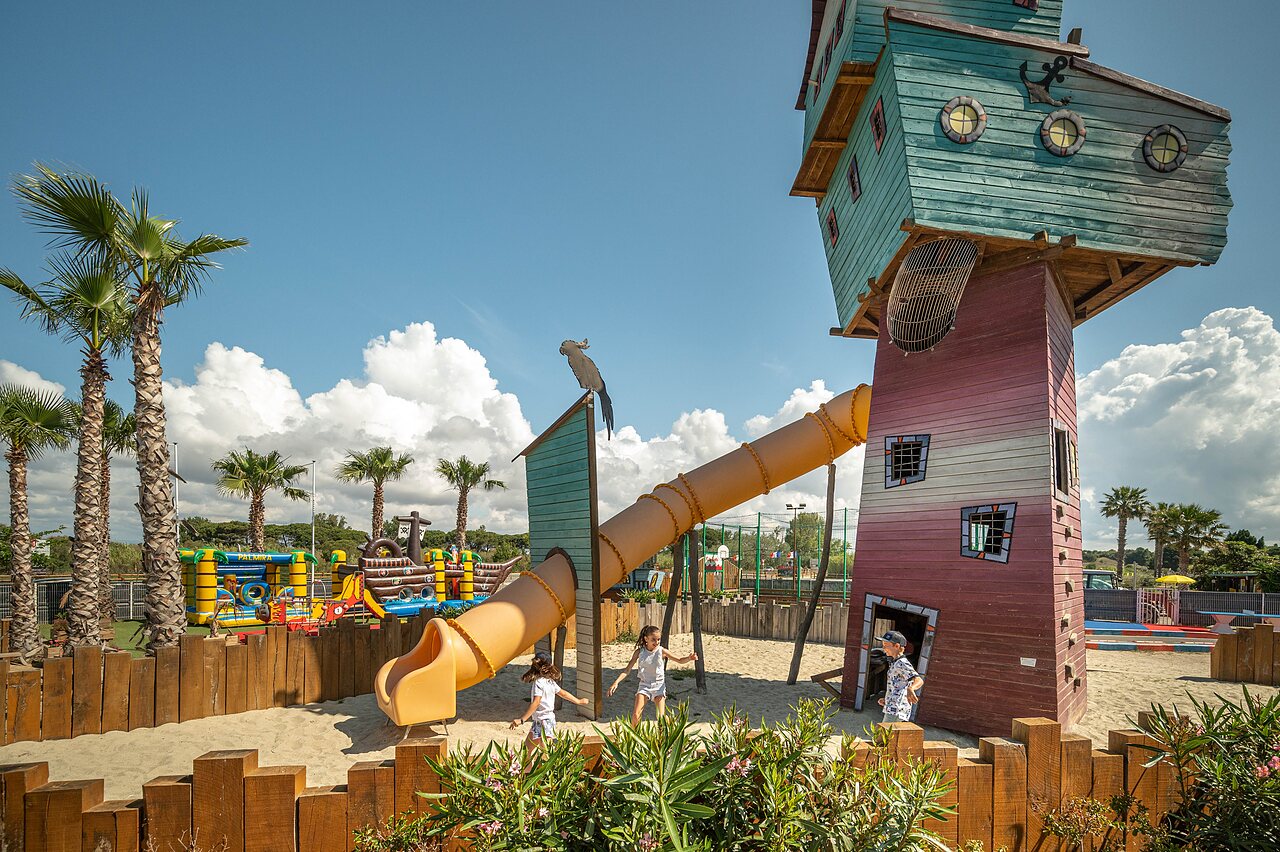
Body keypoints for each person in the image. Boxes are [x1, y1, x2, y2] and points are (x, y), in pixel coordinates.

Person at [607, 624, 698, 724]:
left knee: (661, 718)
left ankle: (664, 734)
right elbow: (627, 670)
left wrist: (689, 658)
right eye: (653, 639)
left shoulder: (661, 651)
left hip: (658, 686)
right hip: (644, 685)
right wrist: (616, 682)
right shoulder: (639, 652)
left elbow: (679, 660)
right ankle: (634, 737)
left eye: (658, 639)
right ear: (646, 639)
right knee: (636, 715)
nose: (657, 642)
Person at [510, 651, 588, 750]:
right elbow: (563, 693)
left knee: (542, 751)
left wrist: (522, 720)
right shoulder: (550, 682)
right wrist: (578, 701)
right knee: (529, 749)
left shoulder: (539, 683)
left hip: (544, 721)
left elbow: (536, 702)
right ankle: (529, 766)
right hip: (541, 721)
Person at [876, 630, 924, 722]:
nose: (883, 648)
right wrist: (888, 700)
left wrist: (911, 689)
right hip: (893, 708)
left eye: (886, 645)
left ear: (897, 646)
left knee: (884, 736)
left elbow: (919, 680)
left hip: (897, 711)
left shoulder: (902, 663)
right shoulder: (895, 662)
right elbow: (899, 686)